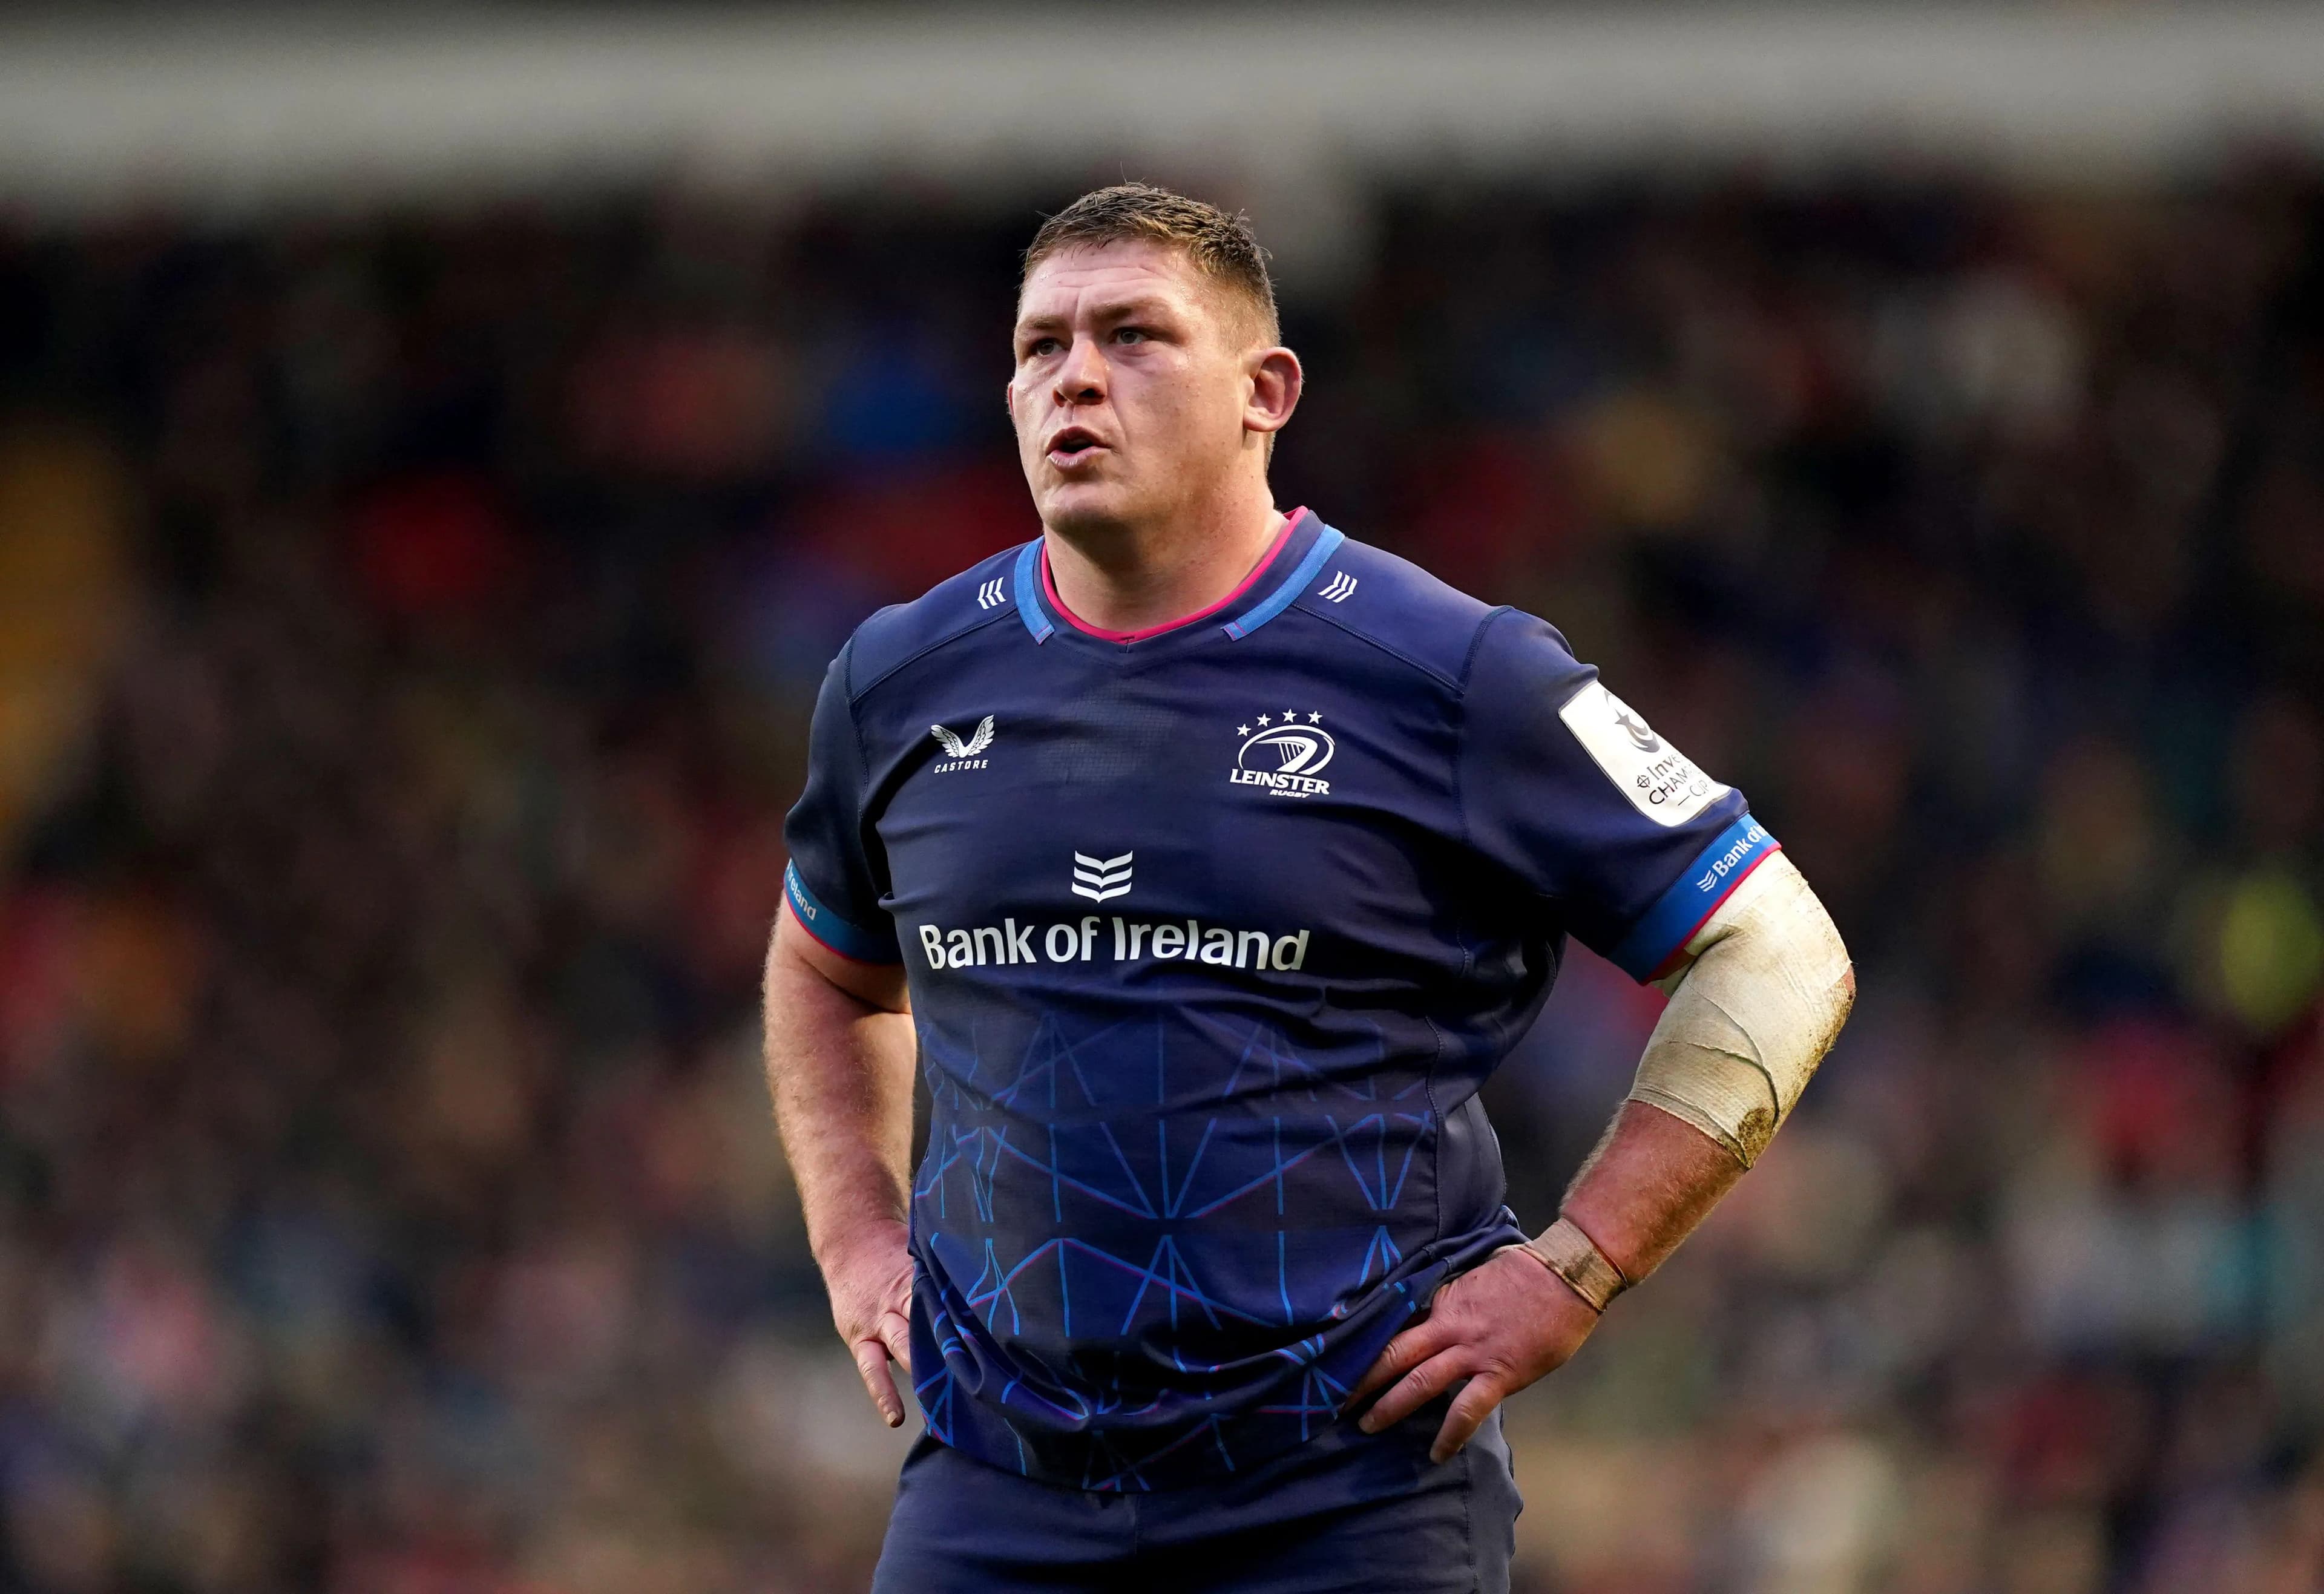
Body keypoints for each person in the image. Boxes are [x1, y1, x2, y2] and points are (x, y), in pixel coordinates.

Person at [764, 183, 1855, 1593]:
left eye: (1136, 336)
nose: (1074, 377)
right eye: (1040, 347)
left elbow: (1778, 948)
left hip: (1346, 1491)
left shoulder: (1452, 673)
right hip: (997, 1492)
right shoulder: (900, 679)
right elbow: (827, 966)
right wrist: (856, 1234)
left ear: (1265, 391)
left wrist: (1575, 1266)